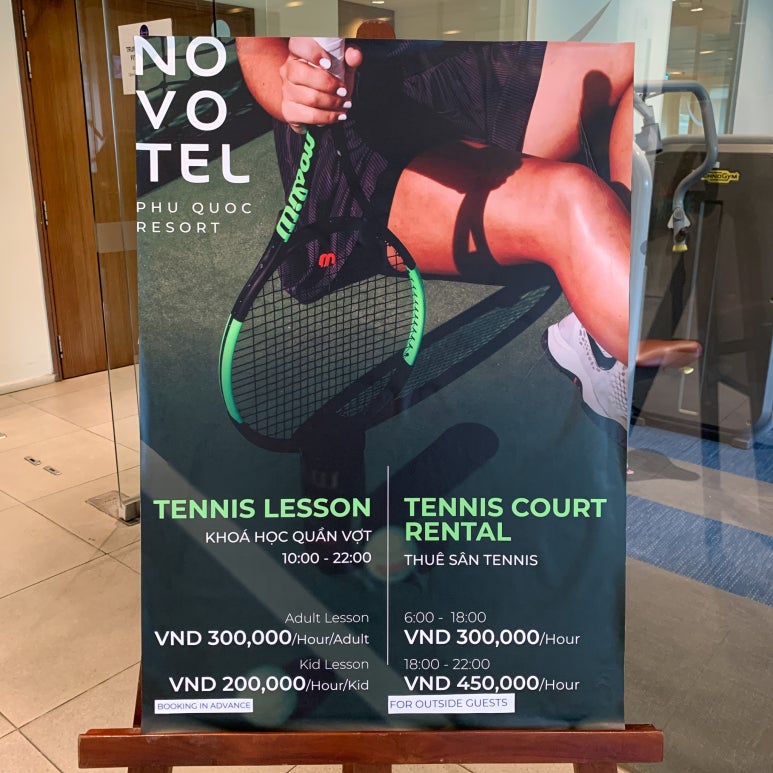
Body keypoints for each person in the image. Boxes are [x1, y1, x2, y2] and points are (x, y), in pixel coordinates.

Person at [234, 36, 688, 439]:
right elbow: (257, 44)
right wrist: (292, 89)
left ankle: (602, 315)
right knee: (573, 200)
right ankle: (621, 346)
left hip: (471, 71)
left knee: (647, 54)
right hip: (362, 132)